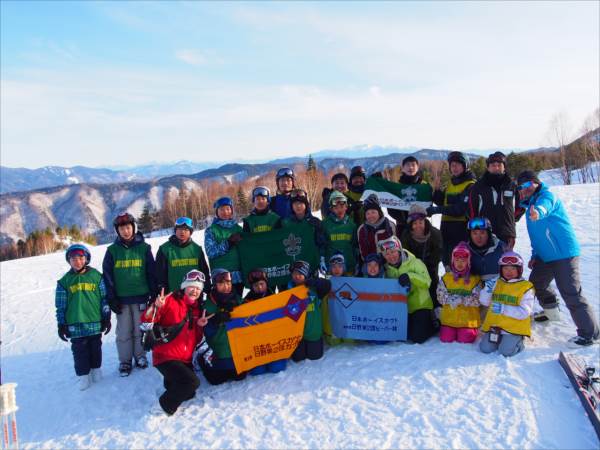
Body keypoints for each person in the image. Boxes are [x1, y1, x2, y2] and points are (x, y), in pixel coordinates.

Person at [517, 170, 599, 347]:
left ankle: (589, 334)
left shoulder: (546, 197)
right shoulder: (528, 206)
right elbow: (537, 237)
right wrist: (535, 255)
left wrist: (537, 212)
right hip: (545, 256)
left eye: (528, 184)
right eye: (521, 187)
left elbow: (545, 207)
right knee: (535, 285)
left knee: (570, 292)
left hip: (564, 254)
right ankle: (551, 312)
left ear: (537, 183)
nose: (524, 189)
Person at [142, 270, 209, 416]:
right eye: (192, 286)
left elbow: (195, 339)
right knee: (192, 383)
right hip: (165, 356)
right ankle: (164, 405)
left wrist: (199, 326)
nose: (195, 291)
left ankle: (170, 383)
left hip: (183, 359)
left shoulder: (197, 309)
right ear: (184, 287)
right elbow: (146, 320)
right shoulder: (170, 301)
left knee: (189, 393)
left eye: (198, 288)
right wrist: (155, 307)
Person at [102, 212, 157, 376]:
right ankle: (125, 361)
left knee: (139, 329)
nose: (125, 231)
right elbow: (108, 276)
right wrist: (111, 298)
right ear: (117, 231)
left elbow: (151, 273)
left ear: (133, 228)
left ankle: (140, 356)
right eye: (122, 228)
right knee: (124, 331)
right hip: (122, 300)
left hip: (141, 297)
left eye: (128, 227)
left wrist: (153, 294)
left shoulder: (144, 249)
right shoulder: (112, 251)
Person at [56, 244, 111, 391]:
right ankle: (83, 375)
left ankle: (96, 370)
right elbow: (60, 306)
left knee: (95, 348)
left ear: (86, 258)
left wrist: (106, 317)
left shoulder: (96, 277)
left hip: (94, 322)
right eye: (73, 259)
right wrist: (61, 324)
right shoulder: (64, 282)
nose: (77, 261)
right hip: (75, 324)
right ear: (69, 261)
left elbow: (104, 299)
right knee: (79, 351)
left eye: (80, 258)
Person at [379, 236, 435, 343]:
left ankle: (434, 322)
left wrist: (410, 276)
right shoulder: (386, 269)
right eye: (387, 254)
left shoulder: (415, 262)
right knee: (403, 335)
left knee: (418, 338)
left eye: (393, 252)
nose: (391, 256)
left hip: (420, 305)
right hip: (402, 308)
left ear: (399, 250)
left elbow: (427, 282)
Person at [479, 251, 535, 357]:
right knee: (485, 348)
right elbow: (484, 302)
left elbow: (524, 312)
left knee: (506, 352)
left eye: (513, 268)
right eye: (505, 268)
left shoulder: (526, 287)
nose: (509, 272)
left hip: (513, 328)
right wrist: (488, 289)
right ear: (501, 269)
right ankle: (503, 340)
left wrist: (504, 308)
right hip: (495, 326)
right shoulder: (495, 282)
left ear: (519, 269)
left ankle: (519, 340)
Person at [197, 269, 246, 385]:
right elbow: (203, 334)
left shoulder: (238, 300)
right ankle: (203, 361)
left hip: (236, 350)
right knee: (216, 380)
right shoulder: (208, 305)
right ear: (215, 285)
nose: (226, 287)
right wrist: (215, 321)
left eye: (228, 283)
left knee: (240, 376)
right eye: (221, 284)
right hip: (218, 351)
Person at [428, 151, 477, 267]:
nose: (454, 168)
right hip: (446, 230)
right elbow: (443, 202)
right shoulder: (451, 183)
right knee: (447, 263)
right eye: (452, 165)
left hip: (461, 231)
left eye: (458, 165)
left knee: (461, 264)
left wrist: (435, 210)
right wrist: (437, 191)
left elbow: (459, 209)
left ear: (465, 166)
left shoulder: (471, 185)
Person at [468, 152, 522, 248]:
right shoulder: (478, 187)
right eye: (493, 165)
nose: (496, 168)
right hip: (485, 233)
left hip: (507, 234)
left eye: (499, 165)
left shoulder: (512, 185)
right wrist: (476, 230)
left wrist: (511, 220)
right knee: (486, 261)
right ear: (488, 167)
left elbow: (521, 206)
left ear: (504, 167)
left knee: (506, 261)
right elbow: (472, 211)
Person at [243, 269, 287, 375]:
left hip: (273, 339)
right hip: (257, 341)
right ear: (251, 287)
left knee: (277, 367)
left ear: (266, 283)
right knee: (257, 371)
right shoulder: (247, 300)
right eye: (256, 285)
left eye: (262, 284)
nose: (259, 287)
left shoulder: (274, 296)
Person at [437, 242, 482, 343]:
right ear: (453, 261)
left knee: (465, 339)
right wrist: (449, 299)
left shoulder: (475, 279)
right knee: (446, 338)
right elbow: (440, 296)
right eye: (457, 260)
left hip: (468, 321)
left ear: (468, 261)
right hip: (449, 320)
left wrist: (462, 300)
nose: (460, 263)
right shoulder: (446, 278)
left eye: (463, 260)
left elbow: (478, 299)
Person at [156, 216, 211, 297]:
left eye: (186, 229)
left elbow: (204, 272)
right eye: (180, 229)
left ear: (190, 232)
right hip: (173, 295)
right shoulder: (164, 249)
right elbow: (159, 274)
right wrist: (161, 290)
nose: (182, 232)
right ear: (175, 230)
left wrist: (207, 289)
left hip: (194, 295)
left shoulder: (196, 249)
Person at [400, 204, 443, 307]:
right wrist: (416, 270)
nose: (418, 226)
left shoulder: (435, 234)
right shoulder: (406, 235)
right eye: (415, 223)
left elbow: (438, 254)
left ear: (425, 222)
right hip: (412, 269)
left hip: (430, 267)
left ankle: (435, 309)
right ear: (410, 224)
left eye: (421, 222)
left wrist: (425, 268)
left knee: (432, 287)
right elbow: (404, 254)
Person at [288, 261, 331, 362]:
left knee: (315, 356)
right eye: (294, 274)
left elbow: (327, 285)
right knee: (298, 358)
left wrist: (315, 282)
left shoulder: (314, 288)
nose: (297, 276)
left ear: (306, 274)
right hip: (297, 334)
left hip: (313, 332)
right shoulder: (288, 289)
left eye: (300, 274)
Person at [204, 197, 244, 296]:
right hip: (221, 278)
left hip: (238, 276)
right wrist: (228, 243)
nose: (225, 212)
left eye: (227, 209)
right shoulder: (211, 230)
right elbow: (210, 252)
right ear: (217, 212)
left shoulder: (238, 228)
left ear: (232, 210)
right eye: (221, 209)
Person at [282, 189, 327, 276]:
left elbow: (321, 243)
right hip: (292, 268)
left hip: (311, 266)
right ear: (291, 206)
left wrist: (321, 259)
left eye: (301, 203)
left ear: (306, 205)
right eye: (295, 204)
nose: (298, 206)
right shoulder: (285, 223)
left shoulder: (315, 222)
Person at [388, 156, 433, 236]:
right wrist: (405, 220)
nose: (411, 167)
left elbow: (429, 207)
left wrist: (418, 219)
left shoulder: (424, 186)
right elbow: (391, 208)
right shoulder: (397, 186)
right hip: (402, 226)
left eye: (413, 165)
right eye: (407, 165)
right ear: (403, 168)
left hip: (421, 225)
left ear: (417, 167)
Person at [322, 191, 359, 276]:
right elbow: (322, 245)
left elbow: (355, 246)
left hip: (349, 267)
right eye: (336, 207)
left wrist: (357, 262)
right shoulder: (325, 224)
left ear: (346, 207)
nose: (339, 210)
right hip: (332, 268)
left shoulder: (351, 225)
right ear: (331, 209)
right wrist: (322, 259)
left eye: (342, 206)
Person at [357, 194, 396, 263]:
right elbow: (363, 251)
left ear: (379, 212)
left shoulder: (390, 225)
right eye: (368, 213)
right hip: (372, 264)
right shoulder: (362, 229)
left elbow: (395, 246)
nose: (370, 216)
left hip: (389, 262)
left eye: (373, 212)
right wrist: (372, 262)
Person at [466, 217, 505, 282]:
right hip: (474, 289)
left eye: (482, 233)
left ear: (489, 234)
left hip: (498, 288)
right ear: (470, 235)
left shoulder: (502, 248)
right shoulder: (464, 250)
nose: (478, 237)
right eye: (474, 233)